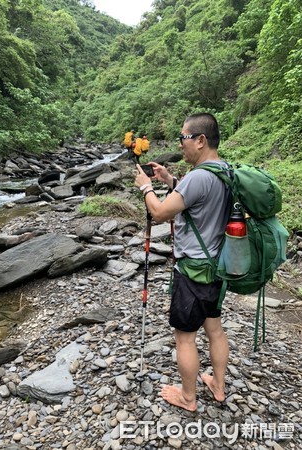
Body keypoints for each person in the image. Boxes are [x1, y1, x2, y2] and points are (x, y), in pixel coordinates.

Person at [135, 112, 231, 412]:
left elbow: (162, 212)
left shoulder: (198, 176)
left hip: (193, 272)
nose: (181, 144)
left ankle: (188, 398)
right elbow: (200, 200)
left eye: (183, 138)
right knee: (214, 329)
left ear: (200, 140)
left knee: (185, 338)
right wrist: (169, 179)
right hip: (218, 267)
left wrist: (145, 187)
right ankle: (218, 385)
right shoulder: (223, 171)